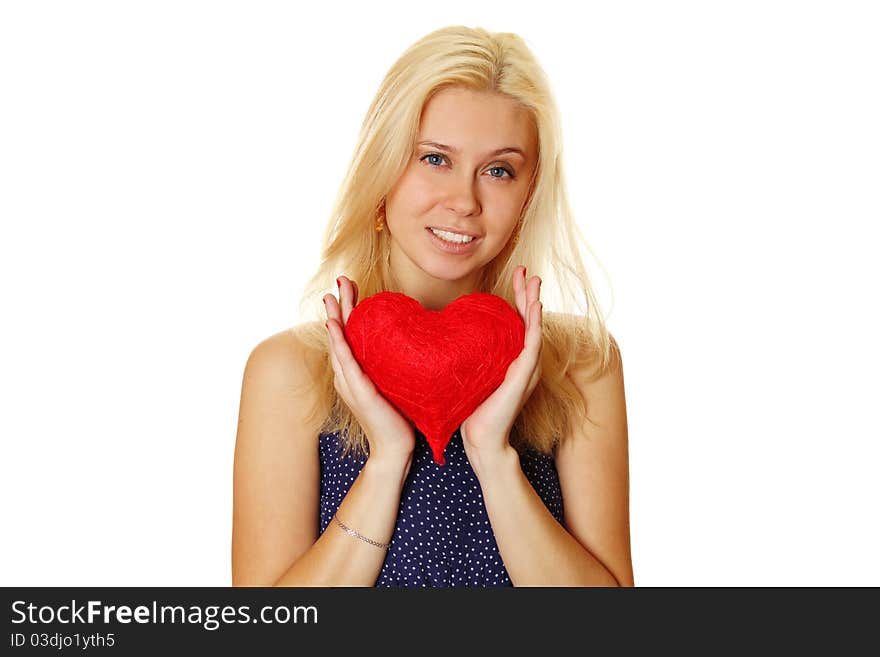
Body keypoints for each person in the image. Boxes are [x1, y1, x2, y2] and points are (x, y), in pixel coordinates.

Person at [232, 25, 633, 587]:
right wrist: (386, 459)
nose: (465, 201)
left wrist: (493, 459)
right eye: (435, 159)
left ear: (526, 197)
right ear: (382, 174)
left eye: (499, 170)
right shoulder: (290, 371)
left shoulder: (580, 364)